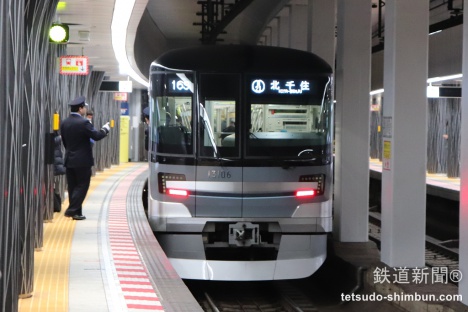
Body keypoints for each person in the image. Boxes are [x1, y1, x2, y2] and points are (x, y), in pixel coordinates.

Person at [60, 96, 111, 220]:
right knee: (83, 185)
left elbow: (65, 142)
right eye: (84, 107)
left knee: (73, 187)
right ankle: (71, 210)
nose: (85, 109)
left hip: (69, 159)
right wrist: (105, 129)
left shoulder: (64, 122)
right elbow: (96, 136)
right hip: (82, 161)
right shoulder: (84, 123)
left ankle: (77, 213)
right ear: (80, 108)